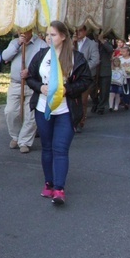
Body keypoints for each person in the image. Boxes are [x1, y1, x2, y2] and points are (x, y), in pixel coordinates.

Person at [26, 21, 92, 205]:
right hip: (43, 109)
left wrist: (67, 90)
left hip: (65, 110)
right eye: (47, 34)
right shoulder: (41, 55)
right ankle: (49, 183)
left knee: (60, 149)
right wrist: (41, 87)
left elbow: (86, 81)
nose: (49, 38)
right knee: (47, 148)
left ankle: (59, 189)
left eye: (53, 35)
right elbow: (30, 78)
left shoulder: (75, 58)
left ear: (63, 36)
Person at [1, 29, 47, 153]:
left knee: (30, 115)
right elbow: (5, 56)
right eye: (20, 30)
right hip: (16, 83)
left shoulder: (41, 44)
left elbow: (45, 62)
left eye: (25, 29)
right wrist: (18, 44)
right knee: (10, 111)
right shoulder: (14, 42)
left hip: (33, 84)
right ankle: (15, 136)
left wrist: (30, 70)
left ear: (31, 30)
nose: (22, 32)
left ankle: (25, 141)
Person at [73, 25, 99, 132]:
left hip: (85, 76)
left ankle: (80, 122)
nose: (78, 33)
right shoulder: (71, 42)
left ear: (85, 31)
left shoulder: (92, 44)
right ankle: (72, 121)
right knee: (73, 100)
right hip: (72, 76)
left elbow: (95, 60)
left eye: (80, 31)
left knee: (83, 100)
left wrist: (83, 68)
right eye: (76, 31)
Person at [94, 33, 114, 115]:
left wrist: (102, 41)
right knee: (92, 90)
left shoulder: (106, 43)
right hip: (94, 70)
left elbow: (110, 50)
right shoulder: (92, 43)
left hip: (104, 70)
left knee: (104, 90)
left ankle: (101, 107)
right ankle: (96, 103)